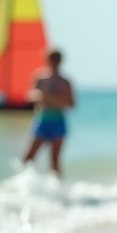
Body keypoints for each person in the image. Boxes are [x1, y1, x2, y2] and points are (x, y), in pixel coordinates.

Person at [21, 48, 76, 177]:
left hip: (58, 121)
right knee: (28, 158)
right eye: (52, 59)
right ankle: (26, 187)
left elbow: (72, 104)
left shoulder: (65, 81)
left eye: (56, 60)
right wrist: (40, 96)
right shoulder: (40, 77)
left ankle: (58, 192)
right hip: (42, 120)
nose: (54, 62)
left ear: (60, 61)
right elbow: (30, 95)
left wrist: (50, 98)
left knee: (54, 161)